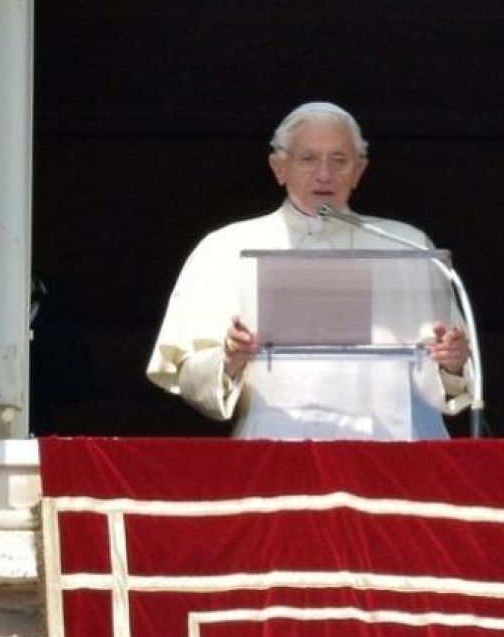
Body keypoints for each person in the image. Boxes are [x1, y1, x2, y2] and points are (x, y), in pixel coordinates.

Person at [145, 101, 472, 439]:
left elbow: (455, 374)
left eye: (339, 160)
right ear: (278, 167)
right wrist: (229, 359)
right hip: (276, 446)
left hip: (393, 446)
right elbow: (187, 373)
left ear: (359, 171)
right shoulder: (225, 248)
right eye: (308, 159)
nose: (324, 174)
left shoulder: (408, 246)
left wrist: (453, 362)